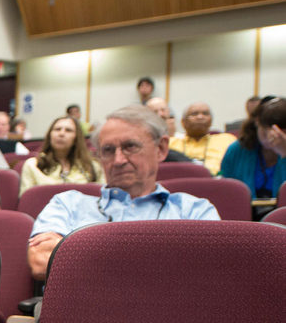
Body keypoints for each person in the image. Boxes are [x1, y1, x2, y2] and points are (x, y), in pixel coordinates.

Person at [28, 105, 220, 280]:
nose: (118, 160)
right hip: (81, 306)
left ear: (161, 149)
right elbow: (41, 263)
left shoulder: (194, 210)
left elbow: (210, 272)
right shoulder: (67, 203)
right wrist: (164, 260)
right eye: (108, 150)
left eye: (130, 147)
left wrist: (73, 250)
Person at [220, 97, 286, 198]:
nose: (271, 138)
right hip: (244, 207)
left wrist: (284, 153)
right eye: (266, 131)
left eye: (280, 133)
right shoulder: (237, 150)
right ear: (257, 122)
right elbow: (225, 190)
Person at [19, 116, 104, 194]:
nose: (61, 133)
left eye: (68, 130)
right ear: (50, 135)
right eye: (57, 129)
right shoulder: (32, 165)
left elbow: (103, 199)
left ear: (76, 138)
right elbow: (27, 201)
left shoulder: (93, 166)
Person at [168, 102, 237, 175]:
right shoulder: (170, 143)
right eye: (194, 114)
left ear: (211, 121)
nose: (200, 117)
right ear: (183, 122)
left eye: (205, 113)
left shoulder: (226, 140)